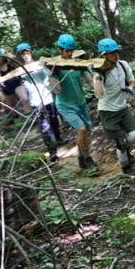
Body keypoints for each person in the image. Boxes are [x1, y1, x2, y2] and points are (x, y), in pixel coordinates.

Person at [90, 38, 135, 178]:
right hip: (107, 111)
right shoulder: (100, 72)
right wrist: (96, 76)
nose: (115, 55)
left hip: (122, 108)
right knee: (120, 141)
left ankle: (124, 151)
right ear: (103, 55)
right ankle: (126, 168)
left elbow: (132, 81)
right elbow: (99, 94)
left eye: (115, 52)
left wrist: (130, 88)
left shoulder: (123, 65)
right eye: (111, 53)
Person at [49, 34, 98, 174]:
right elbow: (57, 90)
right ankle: (88, 160)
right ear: (60, 49)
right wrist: (49, 74)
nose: (69, 53)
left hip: (80, 102)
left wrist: (97, 89)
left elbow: (88, 79)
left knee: (85, 132)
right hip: (65, 105)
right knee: (81, 129)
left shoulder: (76, 62)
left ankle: (81, 158)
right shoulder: (55, 65)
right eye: (66, 50)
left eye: (71, 50)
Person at [18, 42, 64, 162]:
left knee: (54, 119)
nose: (26, 55)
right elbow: (24, 85)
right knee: (45, 127)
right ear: (21, 56)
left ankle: (58, 138)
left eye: (27, 53)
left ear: (31, 53)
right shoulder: (21, 71)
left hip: (48, 97)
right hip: (36, 101)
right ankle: (52, 151)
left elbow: (48, 75)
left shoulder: (40, 64)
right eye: (23, 54)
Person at [0, 47, 31, 116]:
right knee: (12, 105)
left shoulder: (10, 61)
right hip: (6, 87)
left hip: (16, 83)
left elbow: (19, 67)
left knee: (25, 99)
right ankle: (16, 118)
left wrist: (7, 54)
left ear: (1, 56)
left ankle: (28, 114)